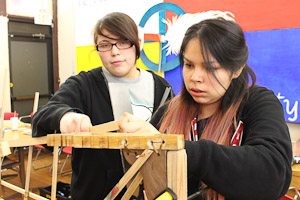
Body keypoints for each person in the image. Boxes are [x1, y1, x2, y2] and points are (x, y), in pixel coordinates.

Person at [119, 17, 292, 200]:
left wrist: (177, 148)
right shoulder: (168, 112)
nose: (195, 77)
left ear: (237, 69)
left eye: (210, 68)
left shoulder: (257, 103)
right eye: (189, 65)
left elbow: (273, 174)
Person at [32, 12, 174, 200]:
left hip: (150, 191)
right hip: (95, 192)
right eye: (105, 45)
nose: (115, 51)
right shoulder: (84, 84)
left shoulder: (161, 88)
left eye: (123, 42)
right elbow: (43, 115)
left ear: (138, 43)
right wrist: (65, 117)